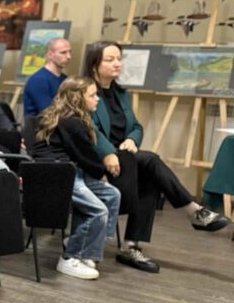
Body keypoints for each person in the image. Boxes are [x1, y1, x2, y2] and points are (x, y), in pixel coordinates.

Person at [82, 42, 229, 272]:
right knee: (150, 160)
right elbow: (89, 129)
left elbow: (137, 126)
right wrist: (109, 152)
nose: (117, 63)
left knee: (150, 174)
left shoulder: (122, 94)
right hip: (101, 162)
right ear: (94, 65)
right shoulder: (85, 93)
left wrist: (132, 140)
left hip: (127, 159)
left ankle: (130, 246)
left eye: (119, 58)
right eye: (110, 60)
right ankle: (193, 211)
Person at [31, 78, 122, 280]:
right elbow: (86, 156)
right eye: (92, 95)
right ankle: (70, 257)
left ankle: (86, 244)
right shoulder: (71, 123)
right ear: (77, 99)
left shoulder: (74, 119)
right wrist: (102, 175)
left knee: (111, 194)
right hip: (56, 173)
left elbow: (84, 157)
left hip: (70, 171)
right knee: (99, 211)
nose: (97, 99)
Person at [23, 36, 71, 117]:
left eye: (70, 52)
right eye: (63, 53)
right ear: (50, 54)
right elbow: (48, 112)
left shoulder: (65, 79)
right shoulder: (38, 80)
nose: (69, 57)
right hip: (43, 124)